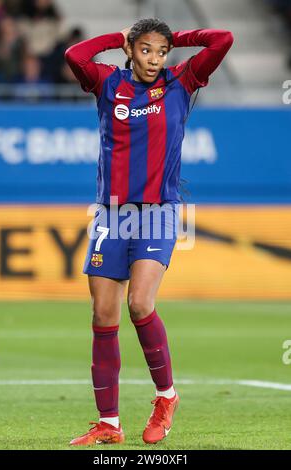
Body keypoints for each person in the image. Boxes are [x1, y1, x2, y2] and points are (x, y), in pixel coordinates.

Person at [65, 18, 234, 446]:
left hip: (158, 211)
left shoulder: (181, 82)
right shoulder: (108, 84)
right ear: (130, 50)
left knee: (140, 303)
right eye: (145, 51)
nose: (155, 60)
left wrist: (179, 39)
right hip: (112, 214)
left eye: (161, 52)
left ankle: (166, 398)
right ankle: (110, 424)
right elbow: (74, 56)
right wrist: (114, 38)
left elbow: (223, 39)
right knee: (103, 316)